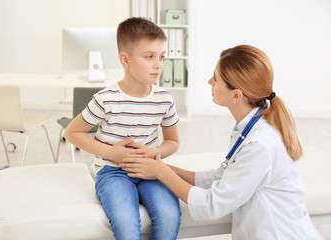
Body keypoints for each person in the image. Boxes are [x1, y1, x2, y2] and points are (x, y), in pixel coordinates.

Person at [119, 45, 324, 239]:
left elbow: (211, 205)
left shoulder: (260, 144)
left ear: (236, 95)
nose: (209, 81)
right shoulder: (250, 125)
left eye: (215, 79)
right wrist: (161, 165)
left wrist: (161, 173)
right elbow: (220, 177)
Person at [64, 17, 181, 240]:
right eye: (149, 57)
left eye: (161, 57)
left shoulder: (164, 99)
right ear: (125, 60)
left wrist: (152, 153)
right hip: (112, 171)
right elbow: (72, 132)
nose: (158, 64)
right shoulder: (106, 99)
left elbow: (173, 142)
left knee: (169, 218)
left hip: (150, 168)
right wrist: (111, 153)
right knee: (126, 225)